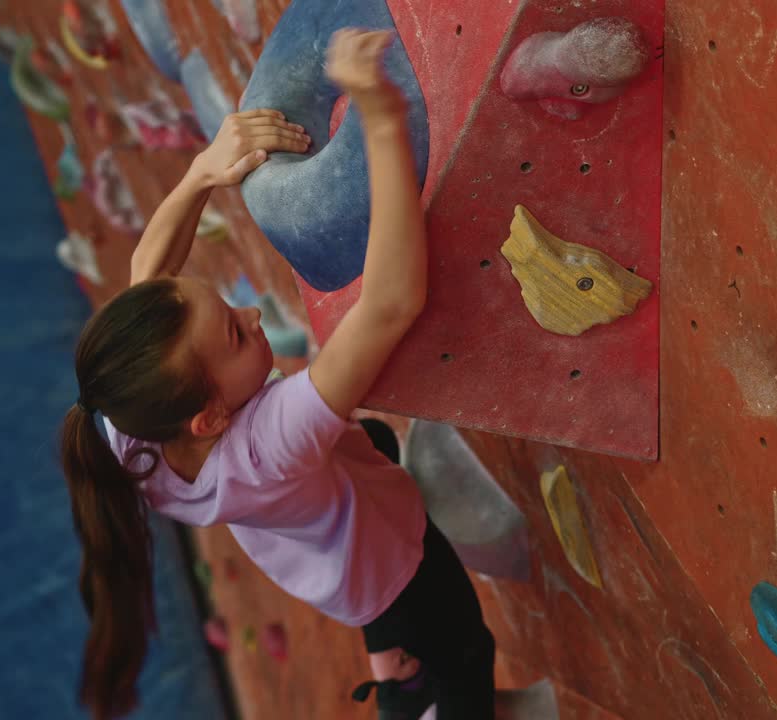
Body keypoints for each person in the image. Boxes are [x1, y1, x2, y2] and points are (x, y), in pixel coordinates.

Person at [61, 29, 495, 720]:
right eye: (236, 332)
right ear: (209, 418)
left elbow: (148, 273)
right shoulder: (268, 445)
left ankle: (392, 667)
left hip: (320, 548)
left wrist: (204, 171)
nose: (254, 316)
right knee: (465, 654)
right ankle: (425, 697)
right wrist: (379, 117)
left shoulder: (129, 422)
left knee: (376, 445)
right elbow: (389, 304)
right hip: (392, 570)